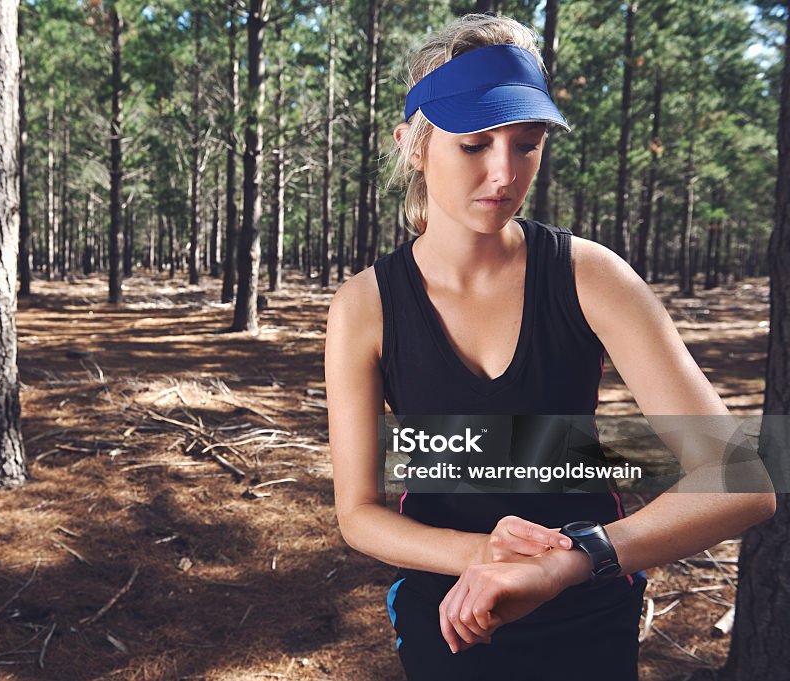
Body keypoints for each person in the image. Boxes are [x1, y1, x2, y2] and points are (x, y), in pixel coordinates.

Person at [324, 13, 776, 681]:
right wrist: (485, 555)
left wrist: (568, 561)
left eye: (527, 142)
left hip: (589, 616)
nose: (504, 172)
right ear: (413, 145)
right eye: (475, 143)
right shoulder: (364, 306)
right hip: (447, 616)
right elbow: (358, 514)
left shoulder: (590, 276)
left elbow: (741, 481)